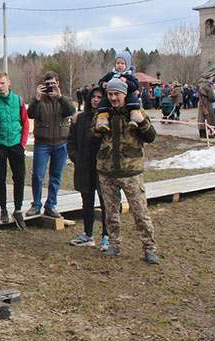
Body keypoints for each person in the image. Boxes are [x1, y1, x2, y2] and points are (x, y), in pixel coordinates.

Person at [93, 78, 160, 264]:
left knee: (140, 213)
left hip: (131, 172)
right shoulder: (102, 113)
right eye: (111, 94)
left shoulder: (135, 111)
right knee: (111, 213)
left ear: (124, 94)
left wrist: (142, 122)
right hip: (107, 171)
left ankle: (149, 249)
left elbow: (151, 136)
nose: (113, 98)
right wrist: (97, 126)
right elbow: (93, 133)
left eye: (117, 94)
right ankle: (114, 245)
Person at [26, 71, 76, 219]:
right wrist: (36, 99)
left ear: (58, 84)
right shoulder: (39, 100)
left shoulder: (64, 99)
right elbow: (30, 114)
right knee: (38, 175)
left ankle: (51, 204)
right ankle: (36, 205)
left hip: (61, 143)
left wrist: (60, 97)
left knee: (56, 176)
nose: (50, 87)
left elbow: (71, 112)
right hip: (42, 143)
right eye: (47, 84)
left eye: (53, 84)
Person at [67, 87, 109, 249]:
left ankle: (107, 235)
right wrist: (76, 157)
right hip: (84, 166)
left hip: (102, 168)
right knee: (87, 201)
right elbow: (70, 140)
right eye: (93, 97)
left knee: (106, 202)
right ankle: (88, 234)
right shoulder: (81, 118)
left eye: (99, 97)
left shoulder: (107, 119)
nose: (96, 100)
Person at [0, 72, 30, 229]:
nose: (0, 86)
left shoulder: (18, 100)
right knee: (0, 178)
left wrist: (23, 143)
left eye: (2, 83)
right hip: (0, 144)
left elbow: (25, 122)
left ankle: (18, 209)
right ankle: (3, 209)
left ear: (9, 82)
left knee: (19, 177)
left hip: (16, 144)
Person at [95, 51, 143, 132]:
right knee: (103, 103)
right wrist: (103, 84)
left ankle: (134, 117)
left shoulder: (129, 75)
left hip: (127, 94)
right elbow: (101, 81)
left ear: (127, 65)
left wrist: (126, 81)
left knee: (133, 101)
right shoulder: (111, 74)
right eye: (118, 63)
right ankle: (103, 120)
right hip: (109, 95)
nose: (120, 65)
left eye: (122, 63)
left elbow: (135, 86)